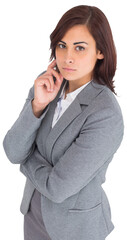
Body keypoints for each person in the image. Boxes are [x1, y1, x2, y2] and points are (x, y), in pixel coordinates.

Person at [3, 5, 124, 240]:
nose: (67, 57)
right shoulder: (47, 85)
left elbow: (57, 189)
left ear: (100, 51)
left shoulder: (105, 113)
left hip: (75, 228)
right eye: (62, 45)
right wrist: (37, 105)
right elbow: (12, 150)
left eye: (80, 48)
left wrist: (28, 160)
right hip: (34, 216)